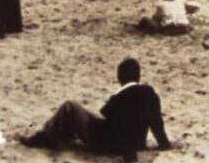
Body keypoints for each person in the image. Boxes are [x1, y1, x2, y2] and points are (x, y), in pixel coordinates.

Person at [19, 58, 171, 162]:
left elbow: (115, 121)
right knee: (83, 113)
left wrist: (128, 155)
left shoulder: (118, 99)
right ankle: (61, 135)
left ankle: (42, 138)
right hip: (137, 142)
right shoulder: (150, 93)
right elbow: (156, 122)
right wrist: (163, 143)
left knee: (70, 107)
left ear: (119, 78)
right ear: (138, 76)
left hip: (106, 143)